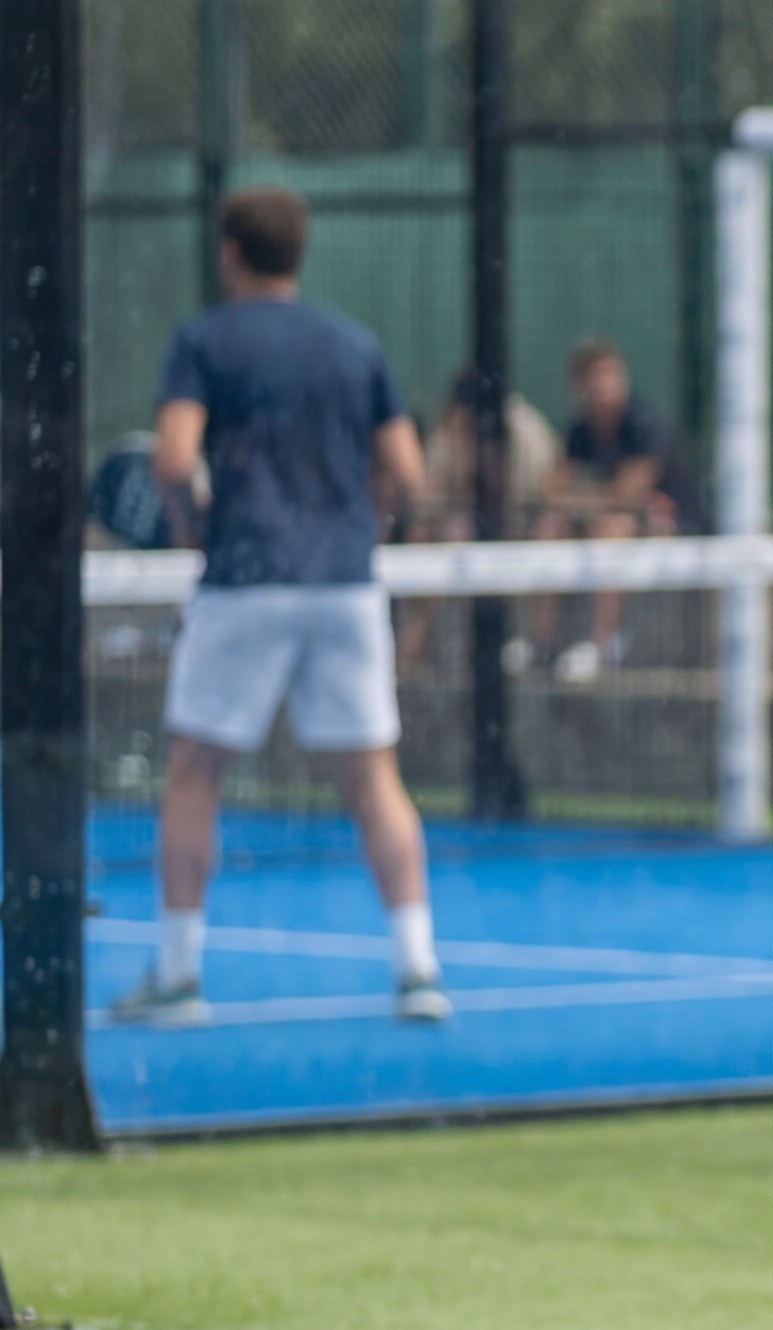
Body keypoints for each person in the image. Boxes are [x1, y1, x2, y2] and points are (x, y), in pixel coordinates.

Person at [109, 187, 450, 1029]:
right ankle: (418, 970)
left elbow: (173, 458)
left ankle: (181, 981)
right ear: (298, 253)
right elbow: (408, 477)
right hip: (345, 585)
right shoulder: (354, 344)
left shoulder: (203, 340)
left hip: (246, 580)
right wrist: (357, 523)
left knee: (194, 774)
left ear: (231, 251)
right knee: (375, 781)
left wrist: (194, 525)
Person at [536, 338, 693, 683]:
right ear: (580, 386)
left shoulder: (643, 423)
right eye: (596, 377)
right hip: (611, 520)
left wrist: (587, 499)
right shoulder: (580, 427)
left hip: (677, 529)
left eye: (612, 375)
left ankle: (601, 645)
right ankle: (542, 644)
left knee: (612, 528)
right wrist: (592, 500)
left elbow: (628, 495)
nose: (606, 386)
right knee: (551, 526)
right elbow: (553, 489)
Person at [394, 371, 556, 671]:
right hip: (464, 529)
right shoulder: (450, 433)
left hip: (520, 527)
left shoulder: (523, 429)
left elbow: (538, 495)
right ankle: (417, 642)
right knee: (428, 534)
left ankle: (527, 643)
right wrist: (459, 453)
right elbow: (427, 497)